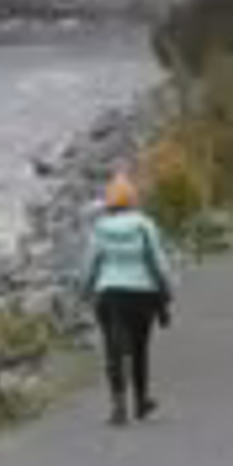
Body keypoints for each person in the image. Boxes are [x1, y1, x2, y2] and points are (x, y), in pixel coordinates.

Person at [82, 173, 177, 423]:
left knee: (113, 349)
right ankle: (141, 401)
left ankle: (118, 405)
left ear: (109, 203)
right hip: (142, 293)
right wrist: (167, 292)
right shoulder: (144, 225)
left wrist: (85, 291)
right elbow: (158, 262)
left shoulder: (100, 228)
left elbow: (90, 264)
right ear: (133, 200)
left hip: (109, 293)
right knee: (139, 348)